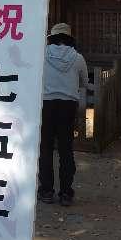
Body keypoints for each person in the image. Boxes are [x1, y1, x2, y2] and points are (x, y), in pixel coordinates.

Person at [38, 23, 88, 206]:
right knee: (66, 148)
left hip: (46, 104)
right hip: (68, 106)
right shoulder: (78, 58)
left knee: (45, 148)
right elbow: (84, 82)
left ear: (51, 38)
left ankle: (46, 191)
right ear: (69, 39)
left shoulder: (41, 55)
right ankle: (66, 193)